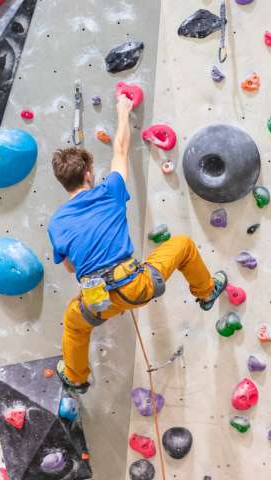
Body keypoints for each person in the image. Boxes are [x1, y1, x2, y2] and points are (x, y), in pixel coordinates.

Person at [47, 94, 227, 393]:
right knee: (182, 245)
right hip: (137, 285)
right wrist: (122, 111)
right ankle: (207, 292)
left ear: (61, 181)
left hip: (97, 301)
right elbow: (120, 149)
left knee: (74, 324)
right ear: (89, 174)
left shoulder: (56, 223)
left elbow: (69, 268)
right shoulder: (109, 190)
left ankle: (76, 378)